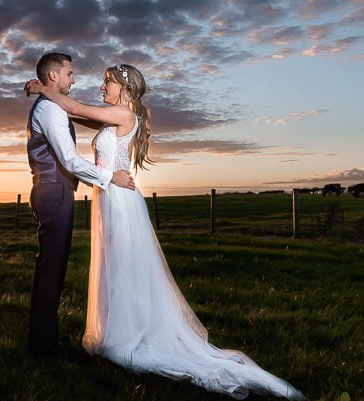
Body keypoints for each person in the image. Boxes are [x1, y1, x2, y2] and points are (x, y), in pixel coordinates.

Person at [26, 64, 304, 400]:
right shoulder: (117, 114)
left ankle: (132, 336)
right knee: (115, 268)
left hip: (120, 199)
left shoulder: (123, 115)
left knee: (125, 267)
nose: (101, 87)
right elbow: (80, 115)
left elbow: (76, 109)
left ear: (123, 87)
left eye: (107, 83)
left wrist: (42, 89)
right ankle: (118, 330)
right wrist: (53, 96)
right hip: (109, 196)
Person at [26, 53, 136, 357]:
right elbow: (70, 160)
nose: (74, 79)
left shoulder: (54, 105)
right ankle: (43, 345)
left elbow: (77, 112)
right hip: (54, 191)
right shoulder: (50, 109)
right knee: (51, 269)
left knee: (53, 267)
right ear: (54, 77)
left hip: (54, 190)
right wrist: (109, 177)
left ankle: (45, 340)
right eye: (70, 74)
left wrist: (41, 89)